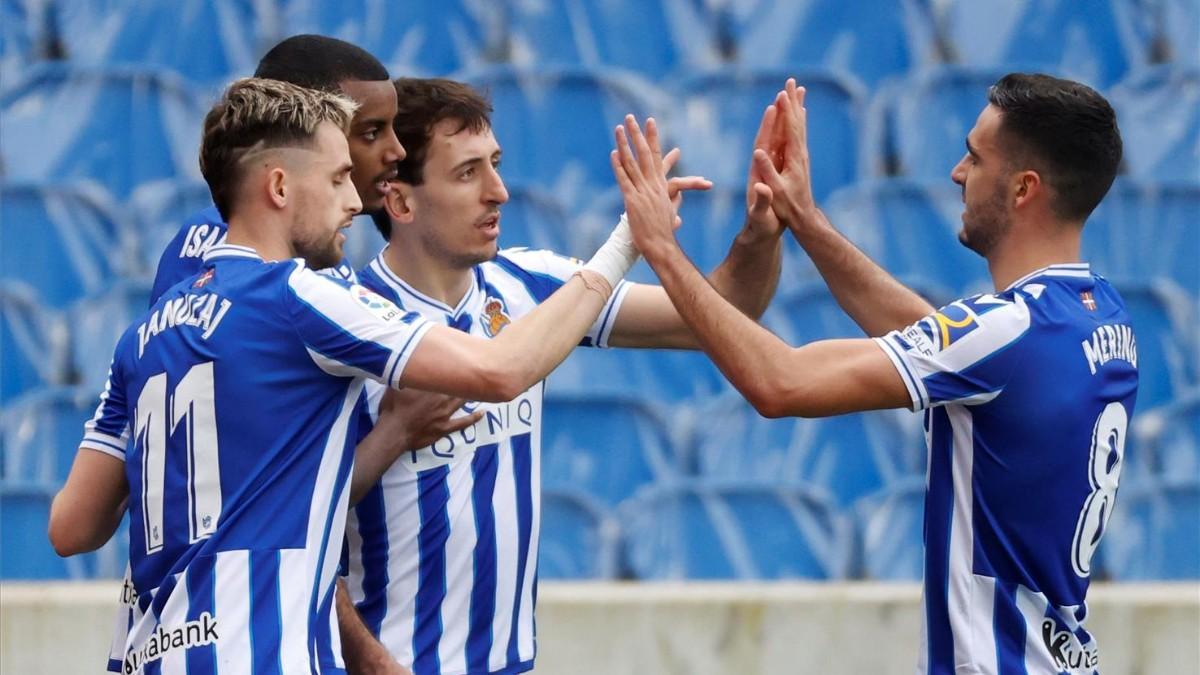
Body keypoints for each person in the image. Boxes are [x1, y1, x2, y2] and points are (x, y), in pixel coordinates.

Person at [48, 77, 645, 674]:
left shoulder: (144, 334)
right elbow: (500, 369)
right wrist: (623, 245)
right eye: (337, 179)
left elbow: (71, 529)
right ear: (279, 186)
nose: (357, 202)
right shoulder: (299, 297)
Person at [615, 74, 1135, 674]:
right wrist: (805, 220)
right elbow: (947, 344)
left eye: (975, 156)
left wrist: (662, 250)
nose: (958, 173)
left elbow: (780, 382)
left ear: (1023, 189)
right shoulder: (1101, 315)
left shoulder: (1005, 331)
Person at [339, 77, 787, 675]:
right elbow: (292, 524)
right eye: (468, 173)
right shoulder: (342, 323)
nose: (498, 192)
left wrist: (761, 233)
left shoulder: (533, 284)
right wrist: (368, 660)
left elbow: (722, 312)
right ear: (399, 202)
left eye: (495, 165)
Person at [150, 33, 406, 301]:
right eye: (372, 133)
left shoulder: (313, 244)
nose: (397, 151)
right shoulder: (223, 240)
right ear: (303, 130)